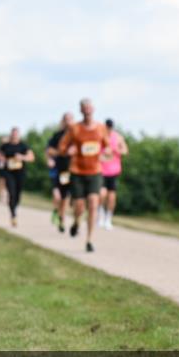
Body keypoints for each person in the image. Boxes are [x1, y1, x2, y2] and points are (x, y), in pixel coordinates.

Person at [59, 99, 109, 252]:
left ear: (93, 109)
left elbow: (107, 147)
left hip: (95, 171)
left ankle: (89, 240)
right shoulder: (75, 128)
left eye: (89, 107)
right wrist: (68, 151)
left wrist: (106, 153)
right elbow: (62, 147)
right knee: (79, 206)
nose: (87, 110)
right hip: (77, 171)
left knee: (94, 203)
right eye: (84, 108)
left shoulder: (101, 128)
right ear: (80, 110)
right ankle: (76, 222)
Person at [0, 127, 35, 227]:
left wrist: (22, 157)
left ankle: (14, 207)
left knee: (18, 194)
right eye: (13, 134)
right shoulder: (5, 146)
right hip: (9, 173)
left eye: (16, 134)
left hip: (20, 173)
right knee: (11, 193)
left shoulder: (23, 146)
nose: (14, 136)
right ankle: (13, 214)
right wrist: (3, 159)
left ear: (18, 135)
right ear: (11, 135)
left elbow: (31, 157)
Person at [46, 112, 75, 232]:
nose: (68, 122)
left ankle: (62, 220)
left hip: (72, 171)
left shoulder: (76, 135)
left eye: (70, 119)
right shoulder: (57, 135)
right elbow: (49, 150)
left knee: (66, 197)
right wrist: (58, 154)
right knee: (58, 196)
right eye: (66, 119)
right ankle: (57, 212)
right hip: (59, 170)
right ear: (63, 121)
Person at [98, 118, 128, 230]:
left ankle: (108, 219)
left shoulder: (118, 137)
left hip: (114, 171)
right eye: (107, 127)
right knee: (102, 194)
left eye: (110, 127)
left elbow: (125, 151)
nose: (108, 129)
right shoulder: (99, 136)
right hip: (101, 170)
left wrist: (114, 150)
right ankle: (100, 215)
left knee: (111, 197)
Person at [0, 135, 10, 206]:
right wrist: (0, 158)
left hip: (8, 167)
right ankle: (1, 195)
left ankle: (8, 196)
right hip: (1, 166)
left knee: (8, 182)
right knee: (1, 181)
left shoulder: (9, 148)